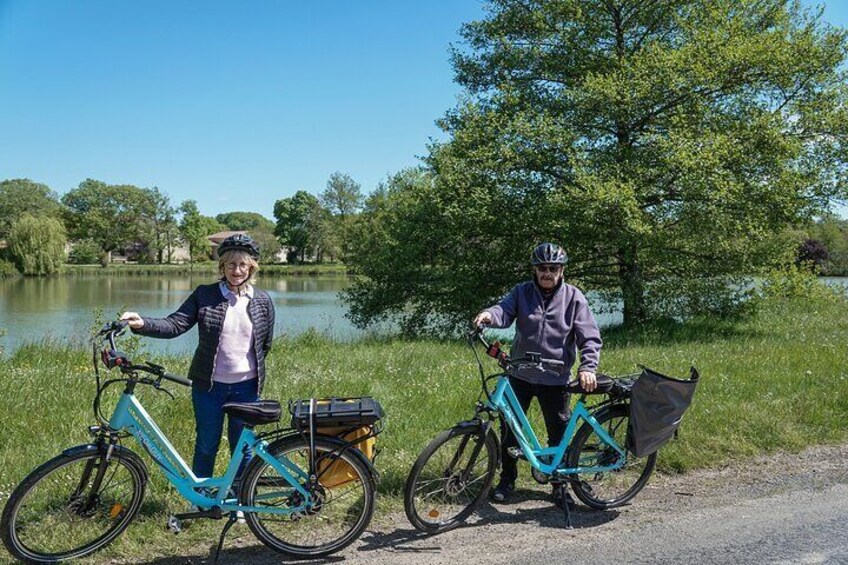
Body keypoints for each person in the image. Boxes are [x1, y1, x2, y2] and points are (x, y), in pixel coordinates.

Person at [120, 234, 276, 483]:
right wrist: (142, 323)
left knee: (243, 448)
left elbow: (264, 344)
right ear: (222, 267)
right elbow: (175, 325)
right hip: (209, 387)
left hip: (247, 387)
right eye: (231, 264)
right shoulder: (205, 295)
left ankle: (239, 500)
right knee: (206, 445)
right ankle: (201, 499)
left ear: (252, 267)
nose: (236, 270)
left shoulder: (263, 301)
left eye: (242, 265)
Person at [473, 242, 602, 507]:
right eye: (543, 268)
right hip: (520, 373)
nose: (547, 273)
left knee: (558, 431)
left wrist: (588, 367)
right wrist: (488, 315)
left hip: (555, 378)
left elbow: (589, 336)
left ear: (561, 270)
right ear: (535, 270)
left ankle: (558, 484)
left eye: (553, 268)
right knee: (510, 430)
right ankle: (507, 480)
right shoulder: (522, 292)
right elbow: (504, 311)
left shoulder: (574, 297)